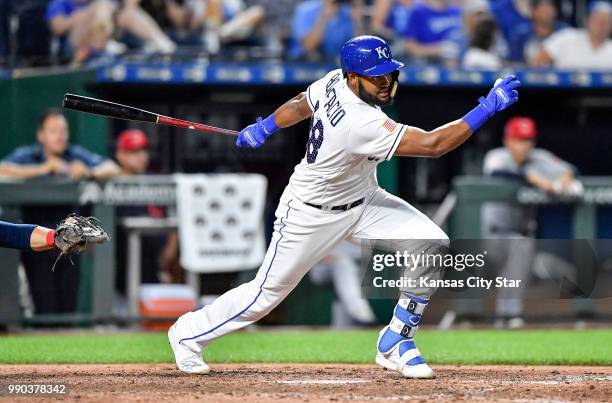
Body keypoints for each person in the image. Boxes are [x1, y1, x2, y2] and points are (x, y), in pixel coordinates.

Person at [168, 35, 520, 378]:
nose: (385, 82)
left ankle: (397, 340)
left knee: (430, 244)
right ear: (354, 77)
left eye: (388, 73)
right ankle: (188, 332)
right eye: (376, 76)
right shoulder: (360, 121)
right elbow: (433, 145)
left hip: (363, 200)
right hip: (311, 212)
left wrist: (268, 125)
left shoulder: (336, 80)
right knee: (265, 296)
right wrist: (485, 108)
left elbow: (301, 103)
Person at [0, 109, 120, 314]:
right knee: (44, 303)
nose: (60, 136)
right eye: (53, 130)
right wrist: (44, 168)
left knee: (68, 306)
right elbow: (2, 169)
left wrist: (88, 172)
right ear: (41, 135)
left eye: (63, 130)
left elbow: (112, 168)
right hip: (34, 237)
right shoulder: (29, 155)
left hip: (70, 237)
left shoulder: (73, 155)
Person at [481, 116, 582, 328]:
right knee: (511, 267)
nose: (523, 145)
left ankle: (508, 316)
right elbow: (499, 173)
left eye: (527, 140)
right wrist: (534, 178)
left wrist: (564, 179)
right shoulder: (497, 157)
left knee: (522, 257)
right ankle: (503, 314)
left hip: (521, 233)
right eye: (518, 139)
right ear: (508, 140)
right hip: (492, 234)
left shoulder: (540, 158)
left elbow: (570, 170)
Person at [46, 0, 176, 64]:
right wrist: (84, 15)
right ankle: (103, 47)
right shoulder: (60, 3)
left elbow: (128, 6)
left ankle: (163, 44)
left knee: (126, 13)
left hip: (107, 35)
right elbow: (57, 27)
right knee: (102, 5)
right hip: (75, 48)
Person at [531, 1, 612, 69]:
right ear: (588, 20)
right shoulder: (567, 37)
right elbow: (537, 62)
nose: (602, 26)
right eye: (598, 20)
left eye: (606, 22)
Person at [290, 0, 363, 61]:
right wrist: (324, 17)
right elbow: (308, 46)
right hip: (304, 63)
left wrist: (357, 20)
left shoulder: (346, 12)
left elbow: (361, 46)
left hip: (334, 63)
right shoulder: (305, 10)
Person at [402, 0, 464, 66]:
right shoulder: (418, 12)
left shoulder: (457, 11)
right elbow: (410, 46)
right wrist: (437, 49)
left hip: (459, 60)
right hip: (430, 63)